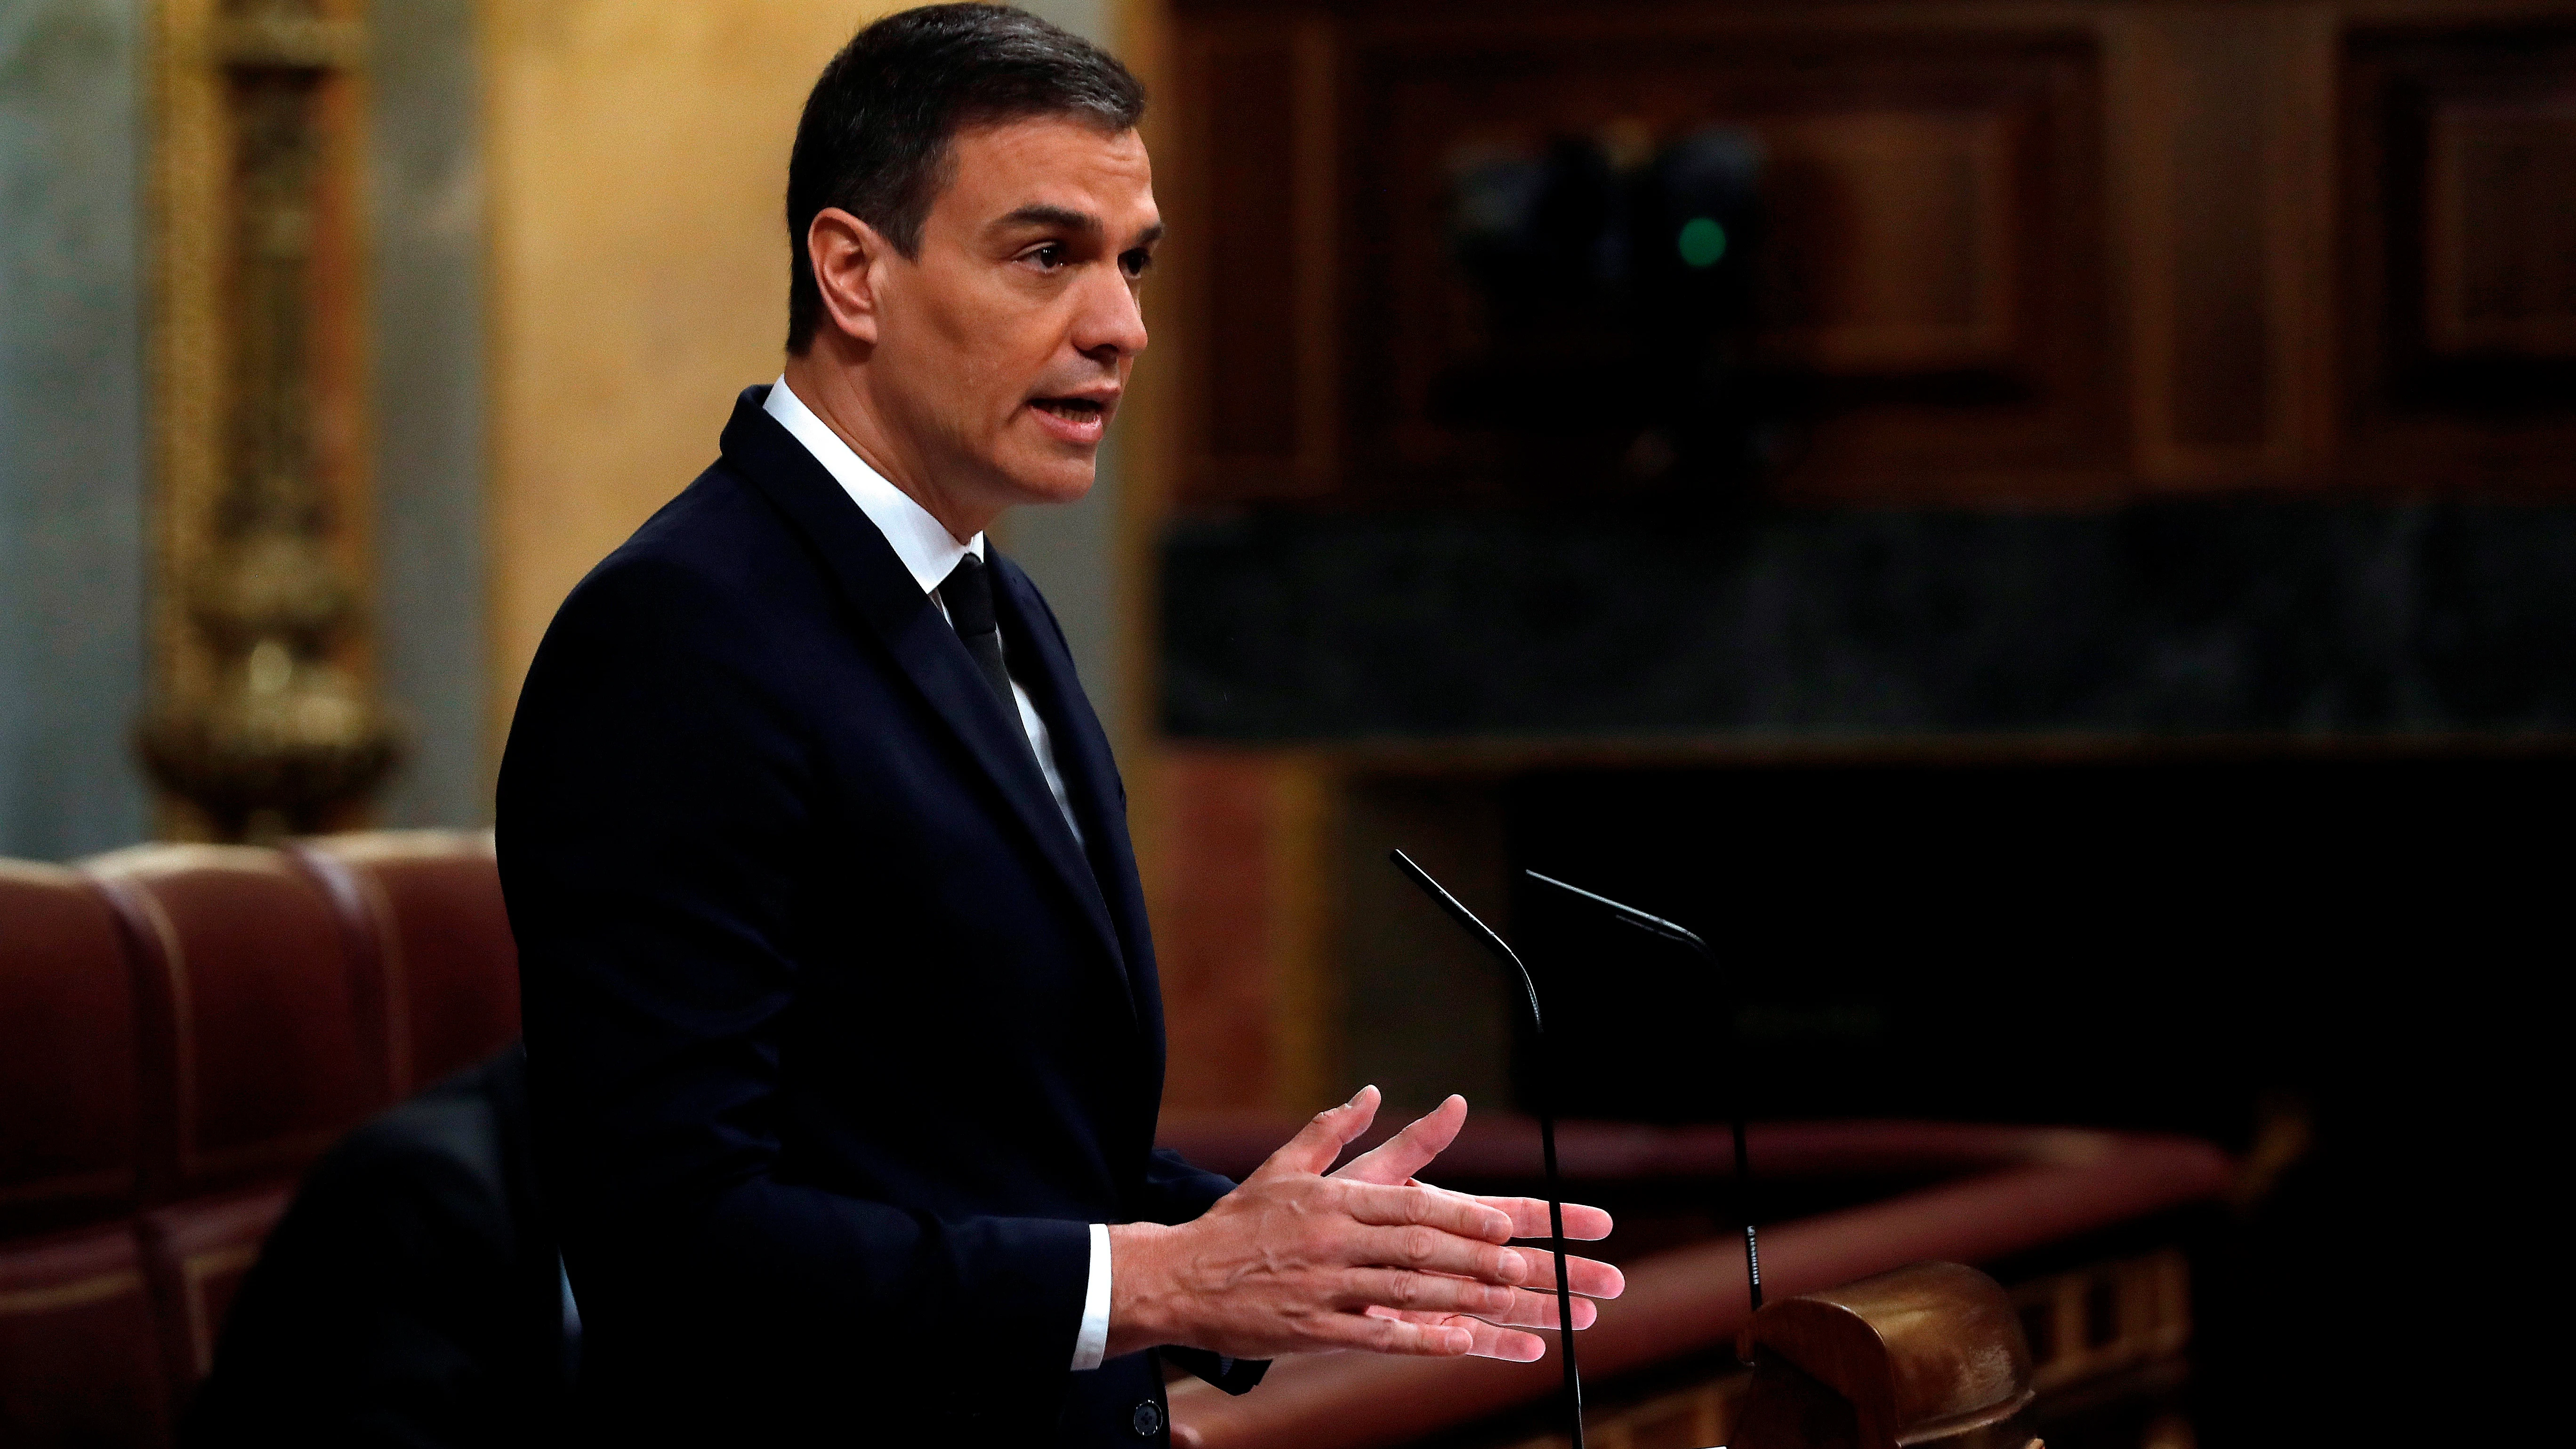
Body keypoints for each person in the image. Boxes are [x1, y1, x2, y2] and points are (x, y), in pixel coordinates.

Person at [496, 7, 1620, 1445]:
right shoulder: (678, 637)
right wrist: (1159, 1279)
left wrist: (1281, 1241)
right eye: (1046, 257)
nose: (1120, 326)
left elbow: (972, 1140)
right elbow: (672, 1241)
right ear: (854, 272)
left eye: (1131, 261)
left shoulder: (995, 601)